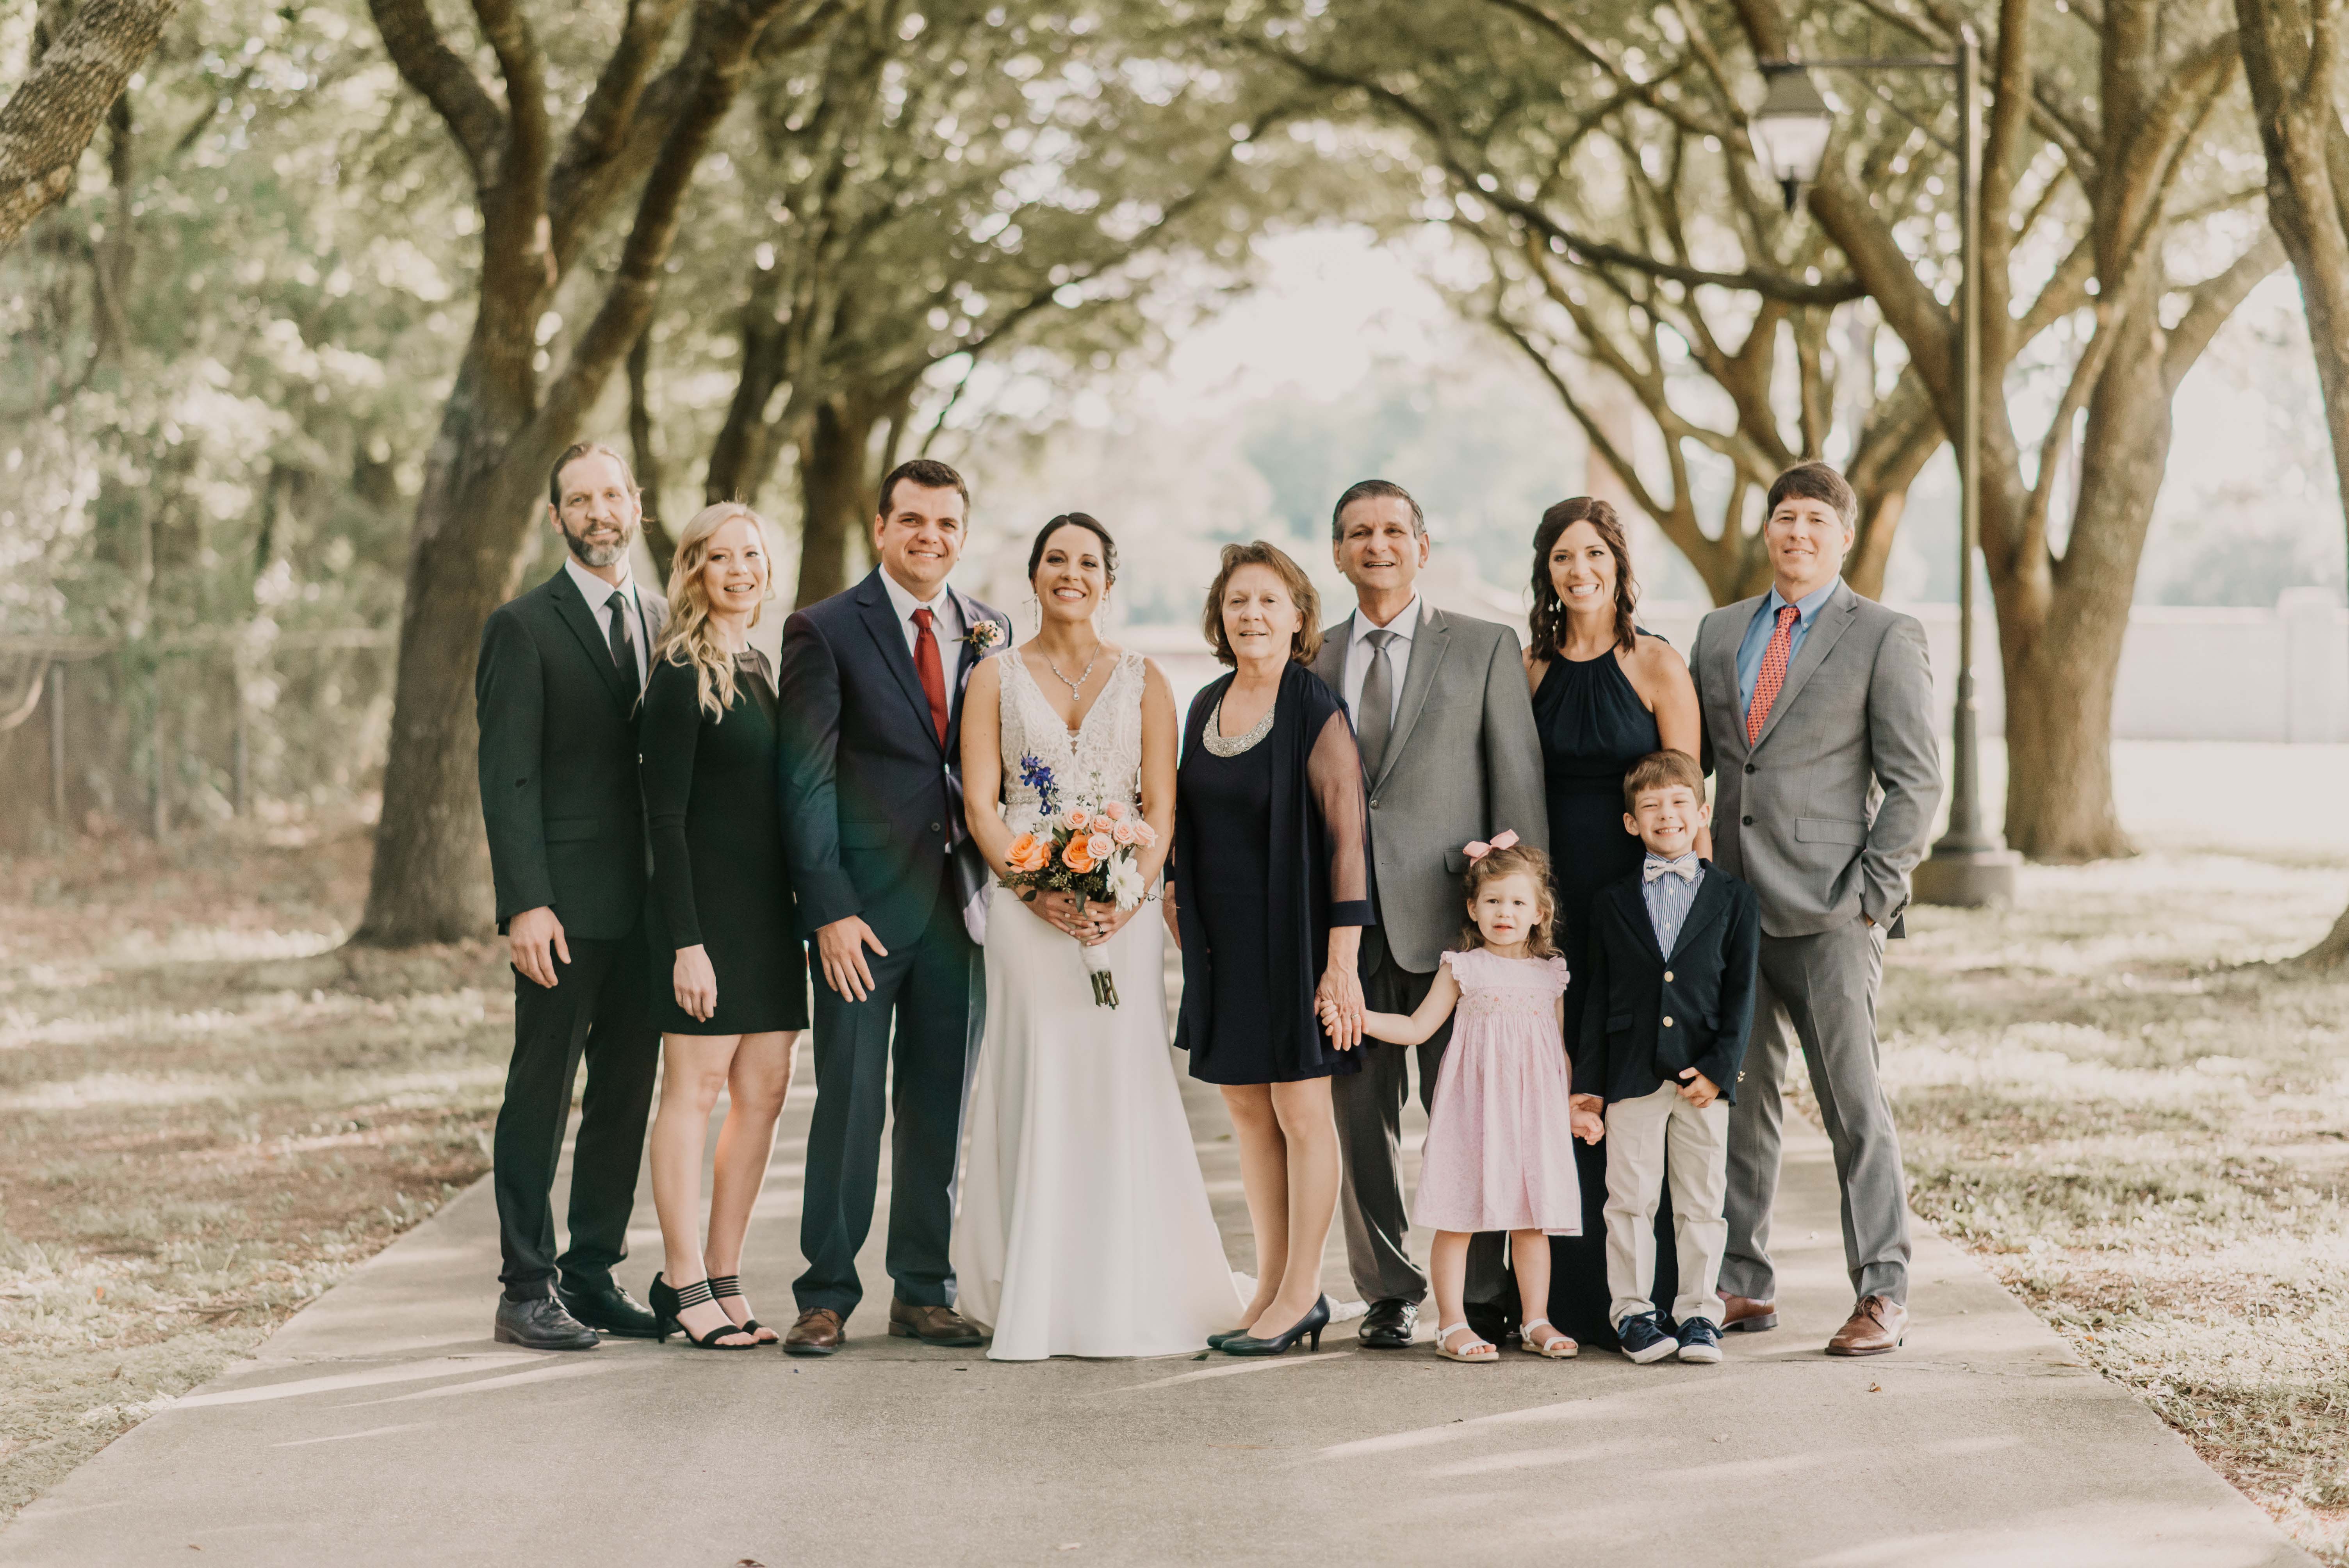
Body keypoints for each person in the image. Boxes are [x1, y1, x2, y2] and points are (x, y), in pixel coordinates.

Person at [951, 515, 1242, 1360]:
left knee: (1120, 1077)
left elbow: (1161, 807)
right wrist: (1032, 888)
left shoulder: (1146, 679)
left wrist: (1128, 897)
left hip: (1125, 914)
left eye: (1086, 562)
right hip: (1024, 913)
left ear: (1108, 581)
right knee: (1035, 1072)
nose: (1069, 574)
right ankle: (1032, 1289)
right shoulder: (993, 677)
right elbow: (982, 805)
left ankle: (1126, 1285)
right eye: (1055, 560)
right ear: (1034, 576)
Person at [1691, 460, 1941, 1358]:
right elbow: (1703, 764)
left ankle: (1882, 1289)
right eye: (1783, 518)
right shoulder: (1719, 631)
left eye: (1813, 520)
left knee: (1852, 1105)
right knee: (1743, 1100)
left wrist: (1872, 901)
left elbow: (1915, 782)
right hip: (1733, 911)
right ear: (1767, 531)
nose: (1796, 533)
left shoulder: (1883, 635)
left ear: (1842, 536)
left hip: (1834, 912)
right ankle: (1742, 1282)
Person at [774, 458, 1014, 1357]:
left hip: (961, 910)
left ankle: (922, 1289)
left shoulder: (992, 628)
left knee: (939, 1102)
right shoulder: (825, 628)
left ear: (962, 534)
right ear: (880, 527)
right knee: (848, 1102)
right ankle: (826, 1294)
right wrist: (827, 909)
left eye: (946, 523)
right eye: (911, 520)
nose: (929, 537)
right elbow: (804, 782)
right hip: (862, 916)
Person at [1309, 479, 1547, 1353]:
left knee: (1474, 1111)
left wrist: (1523, 933)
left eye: (1392, 531)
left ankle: (1481, 1293)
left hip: (1459, 927)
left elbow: (1517, 787)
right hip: (1344, 926)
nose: (1376, 545)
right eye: (1358, 533)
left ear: (1422, 546)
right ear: (1337, 552)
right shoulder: (1310, 654)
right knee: (1359, 1117)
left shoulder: (1483, 646)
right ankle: (1387, 1289)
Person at [473, 442, 668, 1350]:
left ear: (637, 505)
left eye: (611, 495)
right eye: (580, 500)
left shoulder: (666, 619)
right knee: (541, 1093)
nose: (599, 512)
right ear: (556, 517)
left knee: (624, 1094)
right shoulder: (522, 626)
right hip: (560, 909)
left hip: (647, 910)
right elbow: (506, 776)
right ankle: (525, 1287)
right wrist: (525, 903)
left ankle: (591, 1274)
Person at [1171, 541, 1370, 1358]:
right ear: (1219, 616)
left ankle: (1302, 1291)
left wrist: (1340, 966)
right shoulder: (1204, 703)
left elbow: (1348, 841)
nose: (1251, 615)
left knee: (1301, 1113)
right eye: (1237, 601)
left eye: (1267, 601)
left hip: (1295, 941)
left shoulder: (1313, 706)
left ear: (1297, 617)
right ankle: (1269, 1284)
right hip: (1221, 946)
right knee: (1248, 1112)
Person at [1524, 495, 1704, 1351]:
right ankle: (1558, 1295)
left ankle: (1650, 1292)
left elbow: (1690, 800)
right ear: (1546, 571)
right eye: (1563, 556)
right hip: (1552, 906)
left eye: (1594, 553)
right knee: (1564, 1078)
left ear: (1619, 565)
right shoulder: (1528, 667)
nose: (1579, 569)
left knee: (1635, 1085)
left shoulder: (1657, 663)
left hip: (1640, 907)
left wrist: (1690, 922)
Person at [636, 503, 804, 1350]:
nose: (740, 570)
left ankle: (726, 1275)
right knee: (694, 1093)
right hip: (704, 919)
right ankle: (682, 1280)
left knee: (763, 1093)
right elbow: (663, 821)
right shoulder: (677, 672)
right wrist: (686, 943)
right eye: (721, 557)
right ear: (694, 570)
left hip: (771, 918)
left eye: (752, 555)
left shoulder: (763, 666)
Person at [1338, 837, 1596, 1364]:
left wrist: (1572, 1106)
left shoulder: (1551, 972)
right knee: (1457, 1217)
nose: (1505, 913)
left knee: (1532, 1220)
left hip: (1533, 1116)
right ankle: (1451, 1323)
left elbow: (1559, 1050)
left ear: (1540, 913)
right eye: (1493, 901)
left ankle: (1536, 1319)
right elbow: (1416, 1027)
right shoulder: (1463, 967)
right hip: (1474, 1113)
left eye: (1518, 903)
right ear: (1473, 908)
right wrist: (1360, 1018)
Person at [1573, 750, 1761, 1366]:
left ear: (1702, 814)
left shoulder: (1735, 898)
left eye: (1680, 802)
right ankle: (1633, 1313)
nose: (1666, 814)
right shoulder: (1611, 901)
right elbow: (1597, 997)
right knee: (1629, 1200)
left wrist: (1722, 1070)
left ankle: (1699, 1314)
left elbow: (1742, 996)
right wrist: (1590, 1085)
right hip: (1631, 1076)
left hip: (1703, 1079)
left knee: (1702, 1202)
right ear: (1632, 823)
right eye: (1651, 806)